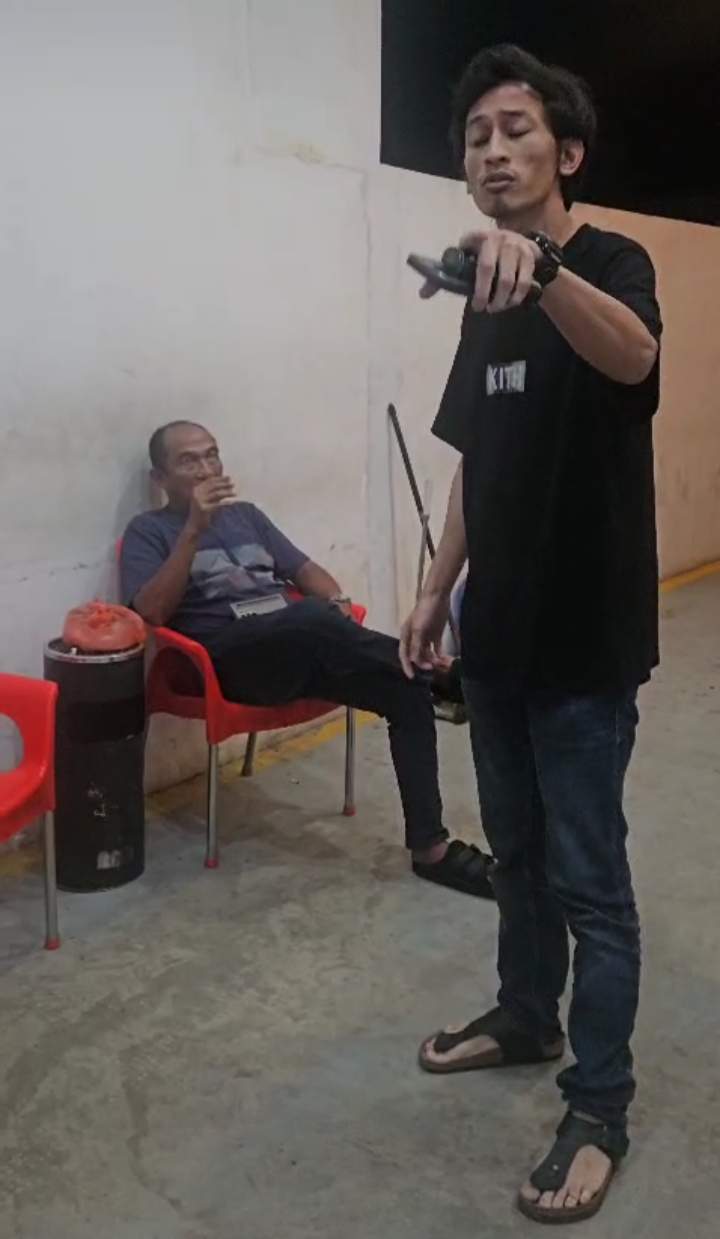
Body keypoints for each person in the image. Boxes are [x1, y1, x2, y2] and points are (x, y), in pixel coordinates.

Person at [400, 44, 661, 1224]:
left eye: (516, 130)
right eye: (476, 137)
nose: (493, 151)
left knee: (589, 881)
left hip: (586, 642)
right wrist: (432, 590)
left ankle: (599, 1105)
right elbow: (475, 456)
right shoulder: (480, 297)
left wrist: (545, 269)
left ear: (569, 152)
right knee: (515, 856)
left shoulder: (607, 264)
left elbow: (636, 356)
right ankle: (523, 1015)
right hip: (494, 635)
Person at [120, 419, 494, 899]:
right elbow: (151, 612)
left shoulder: (247, 516)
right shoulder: (148, 531)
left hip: (297, 646)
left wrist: (337, 603)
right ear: (160, 478)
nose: (206, 468)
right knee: (309, 618)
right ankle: (443, 674)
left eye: (212, 454)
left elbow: (307, 571)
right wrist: (193, 530)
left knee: (401, 687)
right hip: (226, 663)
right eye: (188, 461)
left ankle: (431, 849)